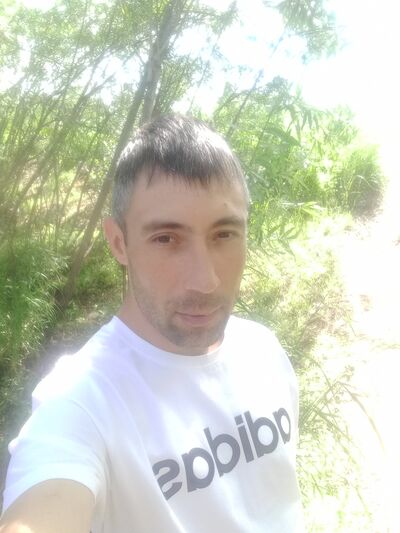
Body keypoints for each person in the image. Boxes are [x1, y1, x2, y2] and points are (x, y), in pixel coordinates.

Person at [0, 114, 304, 532]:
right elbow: (44, 505)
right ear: (119, 242)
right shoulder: (82, 400)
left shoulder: (263, 351)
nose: (206, 280)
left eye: (224, 235)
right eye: (166, 239)